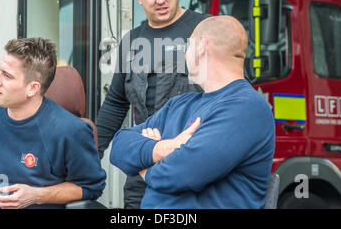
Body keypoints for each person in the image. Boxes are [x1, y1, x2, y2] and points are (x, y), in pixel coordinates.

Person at [110, 16, 276, 208]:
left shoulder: (247, 108)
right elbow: (119, 146)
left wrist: (145, 169)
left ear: (201, 47)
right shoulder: (179, 104)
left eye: (188, 47)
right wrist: (165, 148)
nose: (185, 55)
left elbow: (182, 174)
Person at [96, 0, 209, 208]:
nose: (160, 0)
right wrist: (92, 154)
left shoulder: (206, 30)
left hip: (193, 165)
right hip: (143, 164)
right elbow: (115, 104)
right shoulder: (132, 41)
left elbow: (230, 94)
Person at [0, 37, 106, 209]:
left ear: (32, 88)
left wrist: (36, 195)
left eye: (7, 76)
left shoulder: (70, 131)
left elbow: (90, 187)